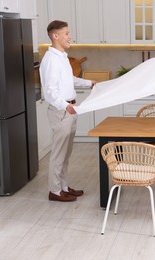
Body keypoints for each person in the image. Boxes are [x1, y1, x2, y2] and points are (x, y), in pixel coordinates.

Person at [40, 20, 96, 202]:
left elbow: (69, 80)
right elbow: (49, 91)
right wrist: (66, 106)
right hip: (62, 111)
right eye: (66, 33)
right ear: (55, 36)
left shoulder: (62, 57)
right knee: (59, 154)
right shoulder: (50, 60)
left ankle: (63, 187)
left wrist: (90, 83)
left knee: (66, 153)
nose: (70, 36)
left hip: (70, 110)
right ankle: (55, 191)